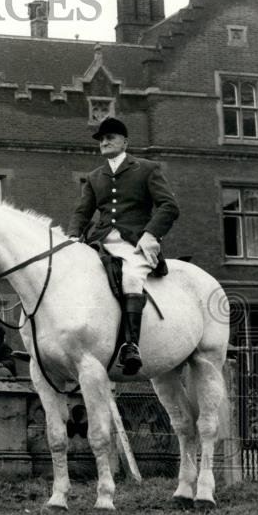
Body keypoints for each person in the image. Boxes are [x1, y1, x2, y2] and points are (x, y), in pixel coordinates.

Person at [67, 117, 180, 375]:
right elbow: (82, 212)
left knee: (130, 277)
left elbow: (169, 206)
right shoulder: (95, 176)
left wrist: (151, 235)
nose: (104, 142)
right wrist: (73, 236)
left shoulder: (146, 168)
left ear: (125, 142)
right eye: (101, 139)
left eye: (111, 137)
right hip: (101, 241)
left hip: (135, 242)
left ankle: (131, 345)